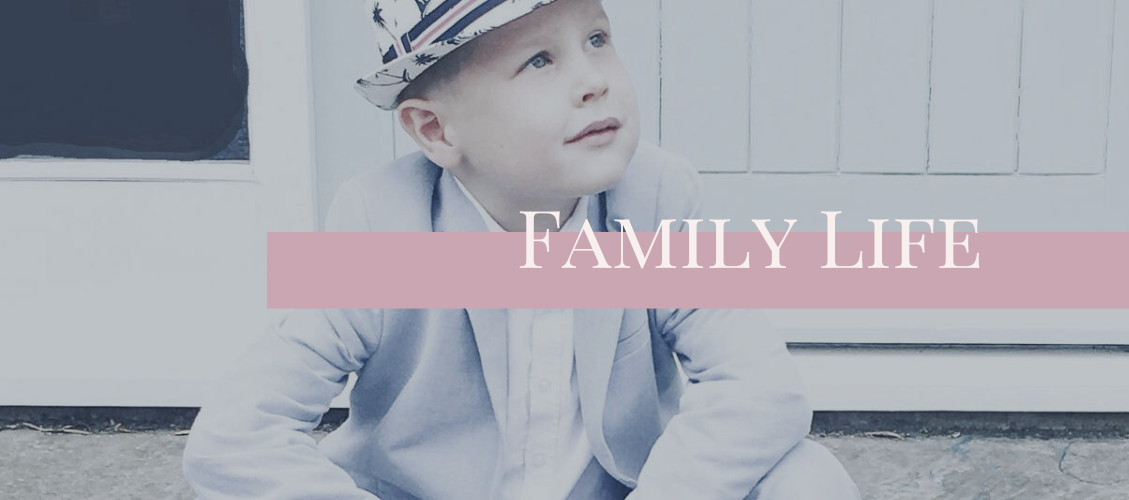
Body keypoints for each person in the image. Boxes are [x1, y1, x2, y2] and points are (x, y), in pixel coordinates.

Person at [180, 0, 861, 499]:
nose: (593, 77)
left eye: (597, 38)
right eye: (540, 59)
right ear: (436, 131)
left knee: (808, 480)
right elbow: (234, 437)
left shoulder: (655, 200)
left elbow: (763, 388)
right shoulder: (378, 224)